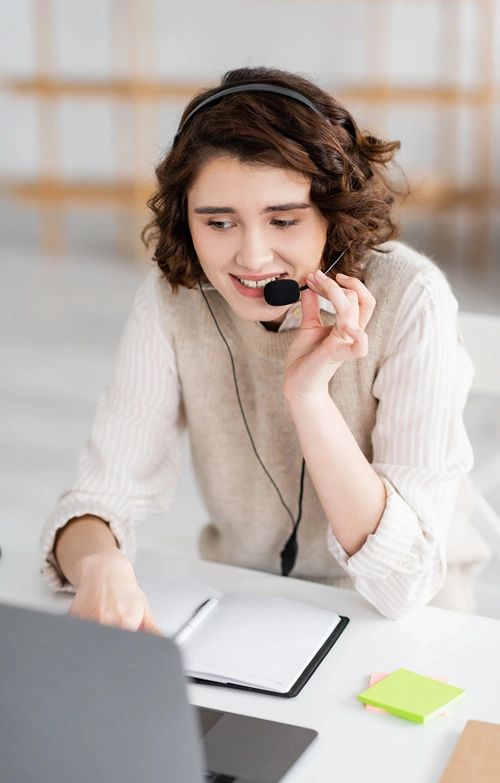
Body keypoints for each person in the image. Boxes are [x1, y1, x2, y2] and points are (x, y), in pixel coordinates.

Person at [40, 66, 490, 629]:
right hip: (245, 611)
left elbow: (404, 588)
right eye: (220, 223)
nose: (252, 259)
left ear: (332, 213)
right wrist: (101, 567)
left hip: (408, 626)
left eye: (283, 220)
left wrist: (309, 397)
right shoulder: (173, 302)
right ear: (188, 222)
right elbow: (95, 500)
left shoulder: (411, 299)